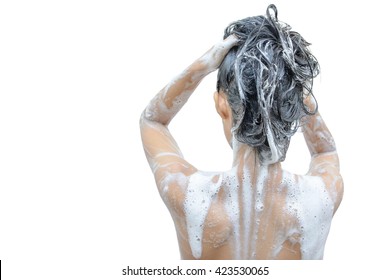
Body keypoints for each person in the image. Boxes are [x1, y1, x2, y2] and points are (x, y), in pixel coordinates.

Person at [139, 4, 343, 260]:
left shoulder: (188, 195)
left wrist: (203, 65)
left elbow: (152, 121)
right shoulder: (320, 198)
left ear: (221, 104)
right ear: (291, 107)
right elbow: (326, 150)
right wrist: (291, 88)